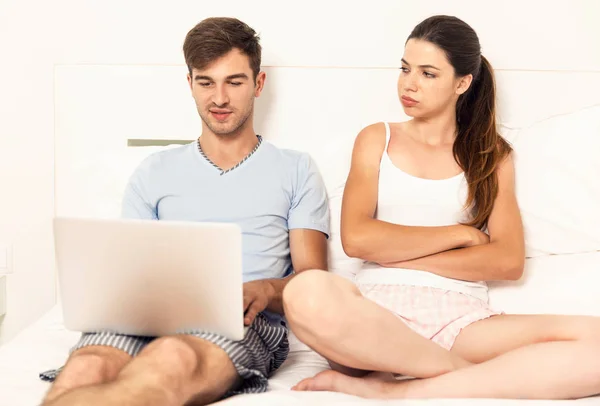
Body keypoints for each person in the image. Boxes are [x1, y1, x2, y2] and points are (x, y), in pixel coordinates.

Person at [282, 15, 600, 400]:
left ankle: (397, 391)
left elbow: (507, 260)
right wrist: (461, 235)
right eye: (405, 69)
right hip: (373, 314)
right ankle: (458, 376)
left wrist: (398, 255)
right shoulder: (376, 139)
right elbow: (358, 238)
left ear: (462, 83)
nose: (408, 84)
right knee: (304, 291)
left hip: (459, 317)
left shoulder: (491, 156)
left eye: (428, 73)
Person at [40, 17, 329, 406]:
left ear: (258, 85)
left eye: (235, 82)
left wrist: (264, 289)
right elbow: (129, 270)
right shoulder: (153, 171)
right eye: (206, 82)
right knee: (86, 366)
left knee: (173, 357)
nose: (220, 98)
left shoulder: (296, 168)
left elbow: (315, 281)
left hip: (246, 323)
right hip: (148, 316)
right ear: (190, 84)